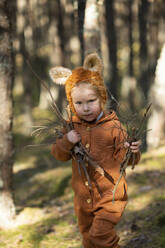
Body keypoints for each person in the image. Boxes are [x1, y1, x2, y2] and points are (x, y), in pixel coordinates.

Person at [49, 53, 141, 248]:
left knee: (102, 237)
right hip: (82, 198)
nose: (86, 108)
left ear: (102, 98)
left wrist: (130, 151)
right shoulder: (71, 127)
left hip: (110, 196)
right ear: (72, 104)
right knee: (88, 238)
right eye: (79, 104)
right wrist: (67, 141)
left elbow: (128, 161)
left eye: (91, 101)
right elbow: (59, 155)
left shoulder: (114, 126)